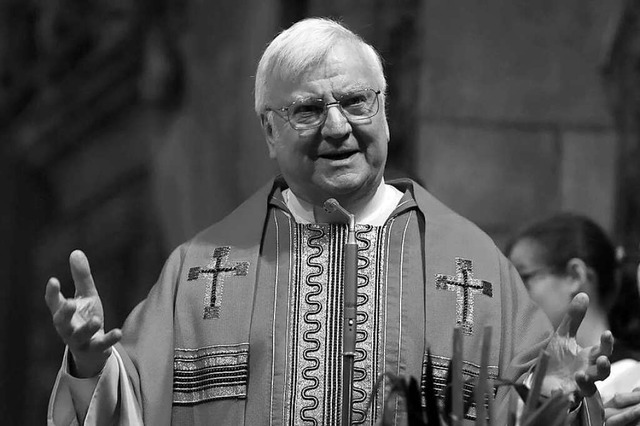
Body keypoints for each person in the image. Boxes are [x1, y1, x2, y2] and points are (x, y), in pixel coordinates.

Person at [46, 18, 612, 425]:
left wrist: (561, 399)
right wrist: (89, 365)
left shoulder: (472, 263)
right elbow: (131, 405)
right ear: (270, 131)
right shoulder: (200, 269)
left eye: (357, 102)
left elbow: (533, 411)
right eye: (309, 110)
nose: (338, 127)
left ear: (384, 112)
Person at [507, 212, 640, 425]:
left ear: (574, 276)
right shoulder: (521, 379)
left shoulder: (632, 380)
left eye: (524, 277)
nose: (512, 294)